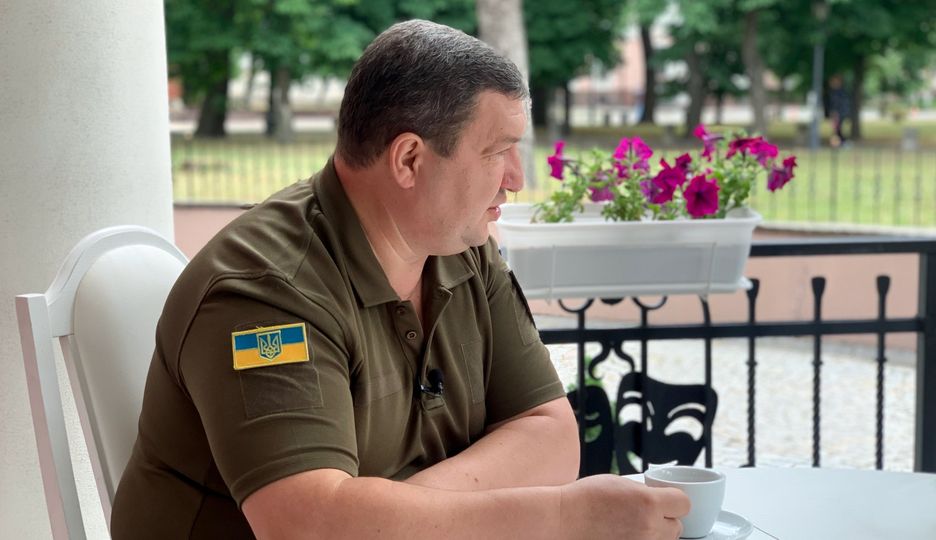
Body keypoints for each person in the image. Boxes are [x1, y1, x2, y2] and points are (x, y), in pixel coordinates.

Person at [111, 19, 689, 539]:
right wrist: (561, 517)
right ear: (410, 159)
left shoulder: (463, 248)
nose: (516, 178)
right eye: (499, 152)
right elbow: (306, 527)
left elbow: (551, 436)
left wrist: (383, 516)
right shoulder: (266, 290)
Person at [828, 74, 850, 147]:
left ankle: (841, 143)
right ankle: (839, 143)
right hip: (838, 113)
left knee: (838, 129)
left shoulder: (839, 92)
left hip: (839, 113)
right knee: (836, 129)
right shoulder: (835, 92)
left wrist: (835, 112)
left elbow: (838, 103)